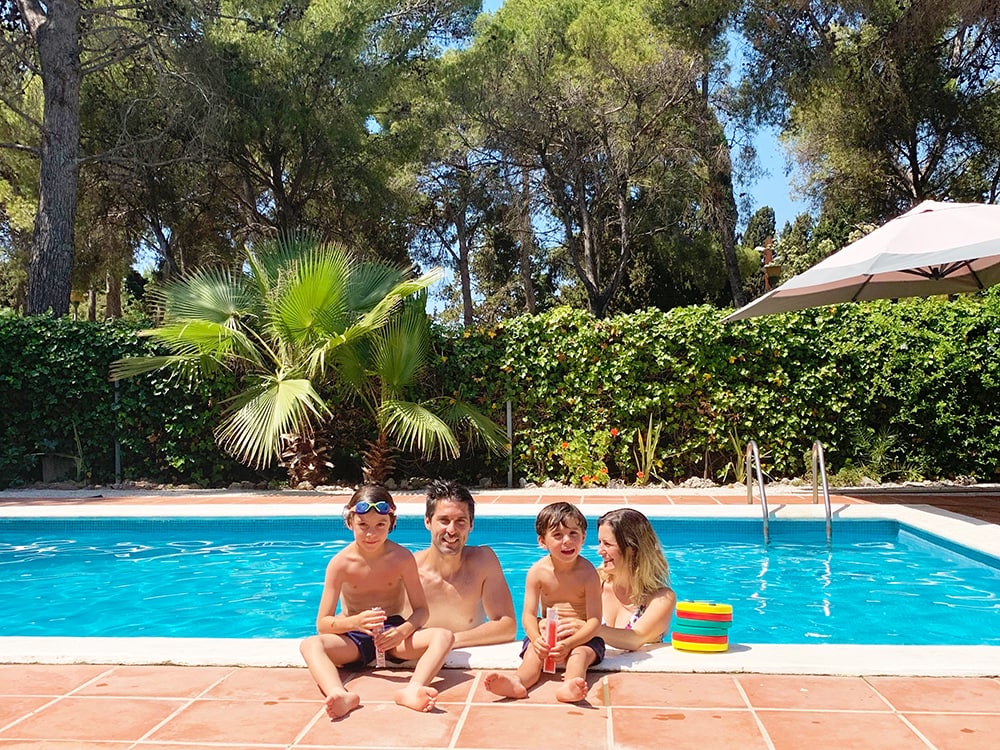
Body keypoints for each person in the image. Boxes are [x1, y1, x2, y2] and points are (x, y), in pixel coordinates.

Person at [299, 485, 455, 719]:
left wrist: (402, 631)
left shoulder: (402, 558)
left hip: (393, 635)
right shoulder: (339, 564)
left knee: (444, 636)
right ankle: (339, 694)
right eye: (363, 525)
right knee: (310, 645)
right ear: (350, 522)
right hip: (355, 636)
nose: (371, 534)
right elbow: (323, 623)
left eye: (380, 525)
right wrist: (354, 622)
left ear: (391, 524)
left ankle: (413, 689)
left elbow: (422, 611)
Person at [484, 502, 604, 703]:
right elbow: (529, 615)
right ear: (542, 541)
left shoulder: (588, 574)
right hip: (548, 634)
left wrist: (569, 643)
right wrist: (536, 638)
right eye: (557, 535)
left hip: (581, 638)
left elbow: (594, 621)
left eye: (573, 534)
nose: (567, 541)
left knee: (579, 656)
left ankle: (571, 684)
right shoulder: (537, 572)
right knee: (533, 653)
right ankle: (518, 682)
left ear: (583, 537)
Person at [410, 479, 517, 647]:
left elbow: (507, 627)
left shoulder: (483, 562)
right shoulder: (409, 572)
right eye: (444, 520)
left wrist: (447, 642)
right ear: (428, 522)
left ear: (471, 525)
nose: (452, 530)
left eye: (461, 521)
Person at [560, 508, 676, 650]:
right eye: (600, 542)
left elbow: (636, 638)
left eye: (607, 544)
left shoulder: (661, 598)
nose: (600, 551)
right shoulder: (592, 583)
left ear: (632, 549)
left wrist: (588, 629)